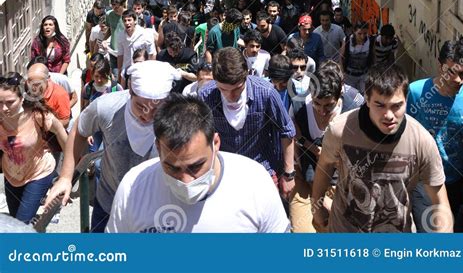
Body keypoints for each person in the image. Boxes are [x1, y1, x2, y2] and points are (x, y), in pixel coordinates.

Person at [105, 94, 290, 233]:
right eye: (172, 168)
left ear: (215, 143)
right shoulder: (132, 188)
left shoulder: (255, 183)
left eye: (195, 167)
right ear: (158, 149)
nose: (185, 181)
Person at [312, 64, 452, 233]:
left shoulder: (422, 142)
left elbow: (440, 203)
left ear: (406, 100)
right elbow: (324, 165)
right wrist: (317, 206)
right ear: (367, 99)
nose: (389, 116)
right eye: (380, 105)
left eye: (396, 106)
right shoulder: (340, 130)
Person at [43, 60, 181, 232]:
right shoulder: (107, 107)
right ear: (130, 91)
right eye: (140, 107)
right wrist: (65, 176)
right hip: (109, 202)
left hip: (157, 208)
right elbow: (79, 129)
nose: (148, 115)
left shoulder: (179, 116)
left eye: (156, 109)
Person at [199, 48, 296, 198]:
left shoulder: (266, 93)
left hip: (262, 169)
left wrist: (289, 174)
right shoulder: (205, 97)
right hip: (224, 173)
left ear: (247, 75)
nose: (231, 96)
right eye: (223, 89)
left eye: (237, 89)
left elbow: (286, 131)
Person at [407, 38, 463, 231]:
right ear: (440, 66)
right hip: (423, 182)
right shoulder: (416, 92)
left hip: (456, 182)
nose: (457, 80)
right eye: (451, 72)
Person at [290, 62, 363, 232]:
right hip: (306, 182)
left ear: (340, 97)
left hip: (342, 184)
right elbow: (292, 137)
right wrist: (312, 148)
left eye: (329, 106)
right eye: (317, 104)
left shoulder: (355, 109)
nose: (322, 112)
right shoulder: (298, 106)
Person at [0, 72, 67, 223]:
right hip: (11, 176)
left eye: (10, 102)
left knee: (21, 225)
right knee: (16, 223)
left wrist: (65, 175)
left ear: (22, 98)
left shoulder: (37, 115)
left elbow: (63, 134)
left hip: (38, 173)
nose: (4, 108)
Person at [117, 10, 156, 88]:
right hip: (127, 71)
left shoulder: (145, 34)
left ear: (135, 21)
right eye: (124, 21)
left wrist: (150, 71)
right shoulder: (120, 36)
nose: (127, 23)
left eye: (129, 20)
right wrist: (119, 71)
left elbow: (152, 54)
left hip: (142, 71)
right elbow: (120, 55)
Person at [25, 62, 71, 128]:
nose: (33, 88)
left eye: (37, 84)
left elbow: (65, 121)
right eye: (30, 82)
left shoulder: (60, 95)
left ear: (47, 79)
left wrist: (44, 127)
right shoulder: (26, 87)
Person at [340, 21, 375, 93]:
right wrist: (342, 73)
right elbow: (341, 57)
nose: (362, 36)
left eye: (365, 33)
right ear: (354, 32)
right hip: (349, 76)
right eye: (359, 34)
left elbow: (373, 57)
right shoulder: (347, 40)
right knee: (351, 97)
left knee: (364, 97)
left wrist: (373, 72)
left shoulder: (370, 41)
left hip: (364, 75)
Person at [105, 0, 126, 74]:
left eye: (117, 7)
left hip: (125, 52)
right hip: (113, 52)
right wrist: (104, 40)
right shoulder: (109, 15)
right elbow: (110, 30)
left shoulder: (128, 16)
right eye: (113, 6)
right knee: (115, 79)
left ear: (122, 5)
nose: (114, 9)